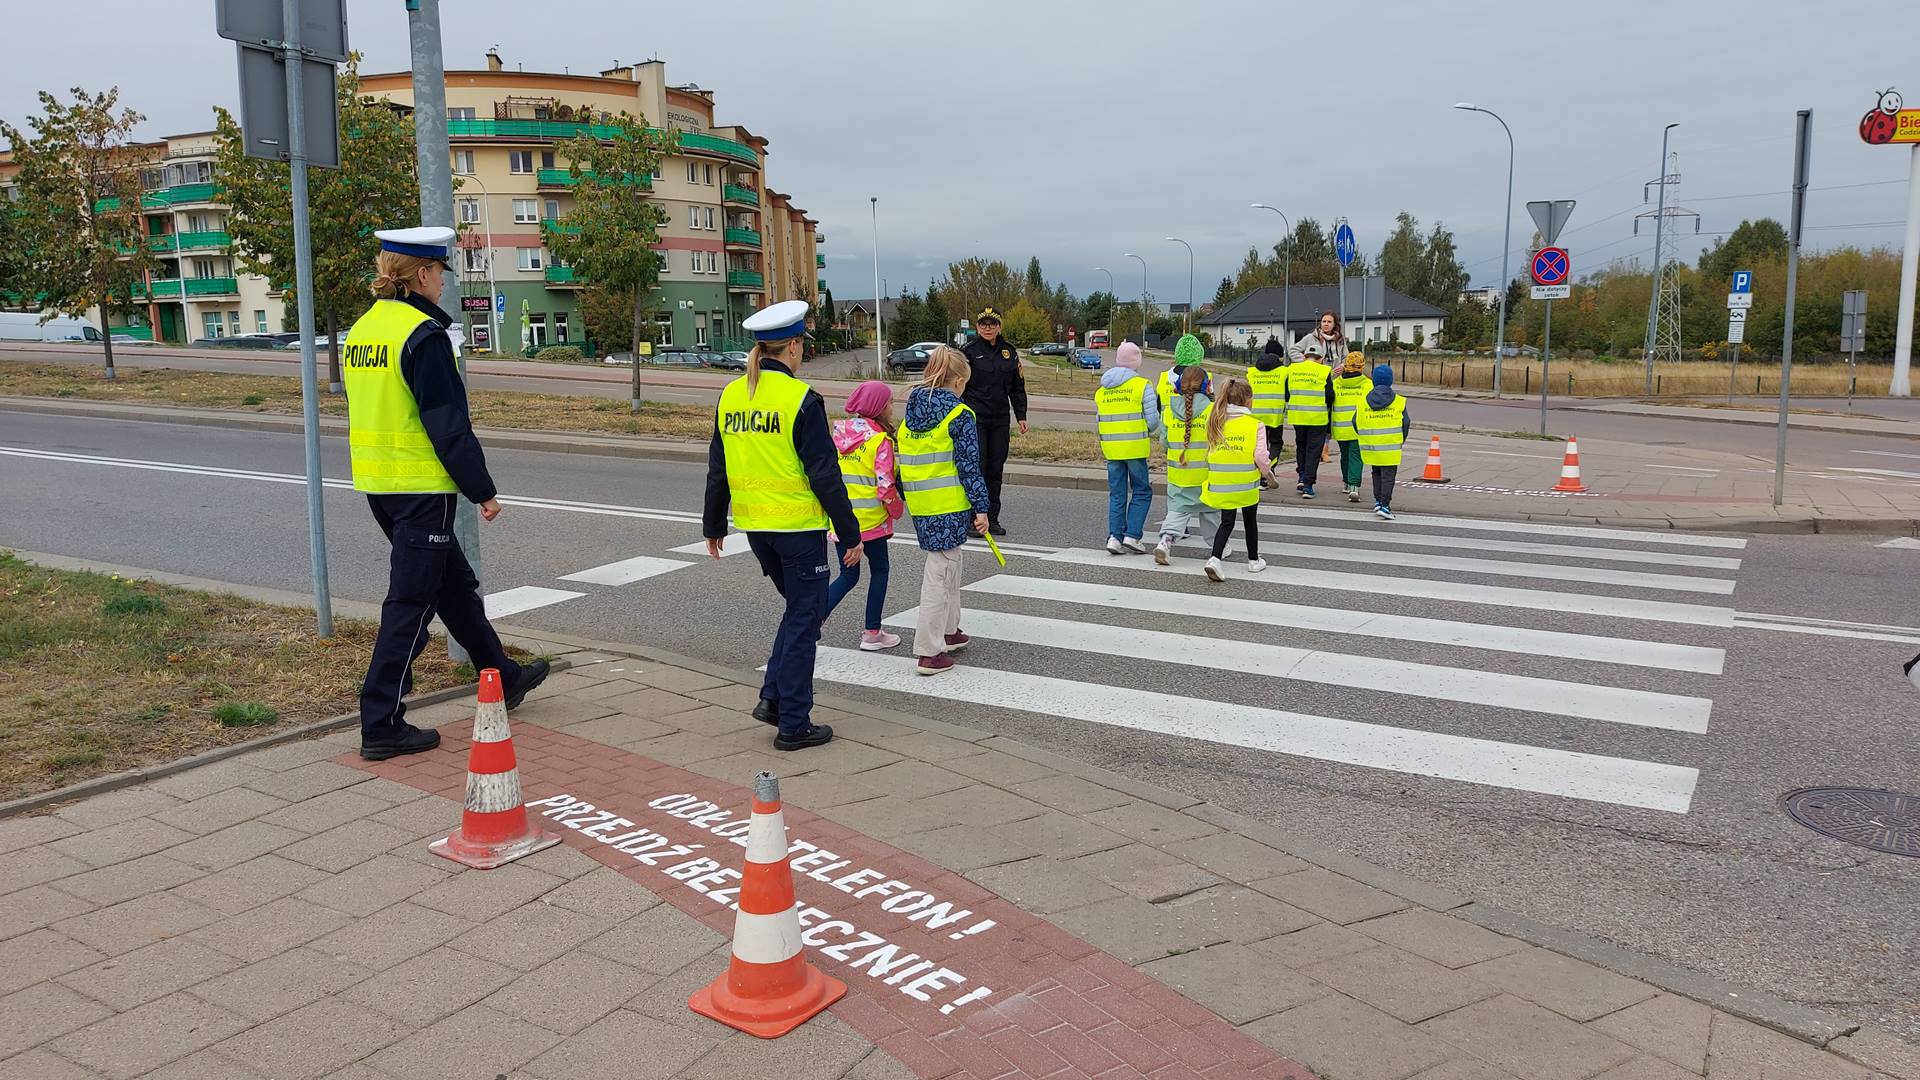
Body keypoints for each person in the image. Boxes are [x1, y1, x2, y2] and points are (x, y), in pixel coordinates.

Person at [342, 227, 550, 761]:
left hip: (379, 484)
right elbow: (447, 425)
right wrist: (482, 490)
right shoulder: (423, 336)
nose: (443, 284)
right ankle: (381, 721)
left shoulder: (366, 329)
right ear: (425, 274)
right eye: (441, 274)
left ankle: (501, 675)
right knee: (410, 602)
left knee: (453, 585)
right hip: (421, 487)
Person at [703, 299, 861, 751]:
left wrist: (713, 524)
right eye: (801, 345)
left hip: (757, 530)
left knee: (798, 616)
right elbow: (825, 476)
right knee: (803, 621)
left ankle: (774, 699)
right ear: (792, 347)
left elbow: (719, 467)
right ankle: (794, 722)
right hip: (798, 531)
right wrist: (850, 535)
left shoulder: (731, 394)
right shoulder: (802, 400)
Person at [901, 347, 991, 676]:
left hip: (923, 503)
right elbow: (970, 466)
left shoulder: (913, 410)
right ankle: (929, 650)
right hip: (949, 502)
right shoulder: (960, 414)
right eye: (964, 383)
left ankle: (950, 631)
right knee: (940, 572)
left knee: (951, 563)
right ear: (956, 381)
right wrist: (981, 508)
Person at [827, 380, 905, 651]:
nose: (892, 407)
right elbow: (885, 486)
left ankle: (808, 624)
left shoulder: (838, 435)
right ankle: (872, 632)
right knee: (880, 570)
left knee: (847, 576)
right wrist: (897, 509)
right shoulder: (879, 441)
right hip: (871, 521)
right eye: (890, 402)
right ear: (880, 407)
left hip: (843, 519)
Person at [1200, 378, 1278, 581]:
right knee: (1250, 521)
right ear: (1247, 400)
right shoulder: (1255, 425)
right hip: (1246, 485)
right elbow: (1261, 456)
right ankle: (1253, 560)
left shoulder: (1216, 419)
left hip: (1221, 482)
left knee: (1227, 522)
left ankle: (1215, 559)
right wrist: (1267, 472)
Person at [960, 307, 1027, 536]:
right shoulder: (968, 352)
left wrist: (1021, 415)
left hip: (999, 419)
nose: (987, 328)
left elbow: (1017, 387)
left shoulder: (1009, 352)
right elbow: (958, 386)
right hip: (975, 418)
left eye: (992, 324)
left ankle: (992, 518)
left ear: (999, 327)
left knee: (995, 469)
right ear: (977, 327)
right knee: (977, 467)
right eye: (983, 324)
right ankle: (973, 519)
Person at [1097, 341, 1164, 554]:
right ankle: (1132, 536)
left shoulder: (1102, 389)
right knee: (1142, 491)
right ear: (1136, 362)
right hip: (1135, 448)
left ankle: (1114, 538)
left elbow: (1099, 420)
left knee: (1117, 494)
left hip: (1111, 449)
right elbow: (1153, 421)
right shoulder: (1142, 385)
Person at [1153, 355, 1216, 564]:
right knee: (1211, 513)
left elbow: (1164, 443)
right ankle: (1219, 547)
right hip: (1207, 475)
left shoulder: (1169, 411)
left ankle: (1165, 541)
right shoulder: (1211, 410)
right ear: (1206, 386)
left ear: (1178, 386)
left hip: (1179, 474)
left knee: (1177, 512)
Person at [1356, 363, 1412, 520]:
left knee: (1376, 473)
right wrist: (1401, 439)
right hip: (1390, 446)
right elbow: (1405, 423)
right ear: (1390, 381)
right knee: (1388, 476)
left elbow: (1356, 421)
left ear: (1373, 380)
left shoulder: (1363, 401)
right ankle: (1385, 506)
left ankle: (1378, 501)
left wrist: (1365, 436)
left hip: (1372, 445)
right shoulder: (1399, 401)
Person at [1285, 341, 1335, 498]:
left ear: (1305, 356)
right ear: (1321, 358)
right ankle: (1308, 485)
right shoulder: (1324, 371)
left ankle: (1301, 476)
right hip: (1317, 418)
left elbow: (1287, 394)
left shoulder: (1292, 369)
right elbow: (1329, 396)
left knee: (1301, 446)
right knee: (1313, 451)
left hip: (1298, 416)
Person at [1330, 351, 1374, 503]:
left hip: (1340, 427)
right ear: (1362, 366)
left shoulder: (1336, 384)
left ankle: (1346, 483)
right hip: (1358, 428)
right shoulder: (1368, 385)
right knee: (1356, 456)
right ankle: (1354, 486)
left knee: (1345, 455)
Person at [1246, 337, 1289, 474]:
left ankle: (1258, 474)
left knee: (1258, 446)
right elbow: (1288, 395)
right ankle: (1268, 470)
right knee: (1276, 444)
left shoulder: (1252, 372)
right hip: (1274, 415)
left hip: (1255, 416)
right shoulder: (1283, 371)